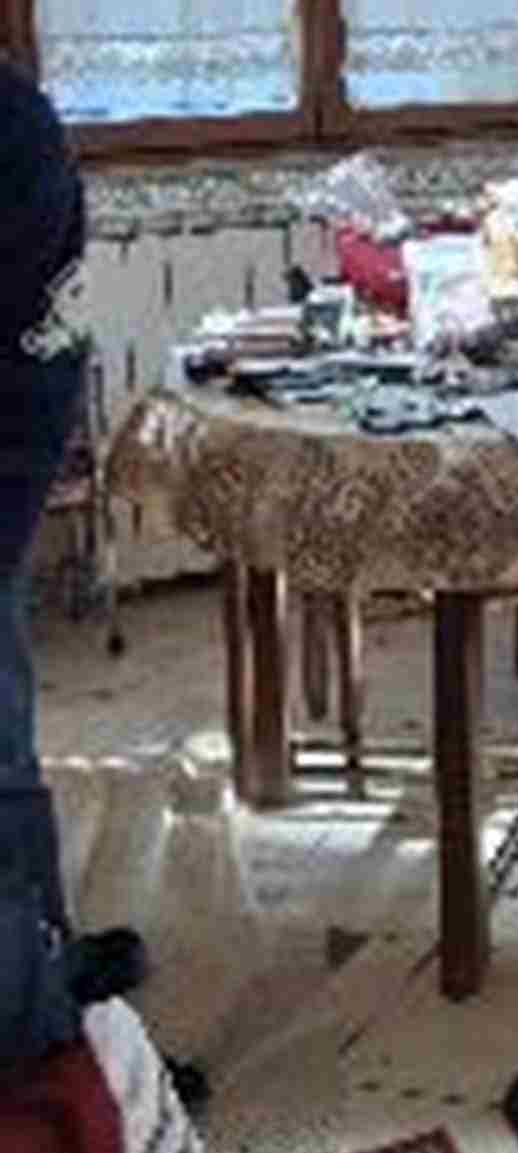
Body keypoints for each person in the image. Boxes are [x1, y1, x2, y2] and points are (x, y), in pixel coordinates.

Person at [0, 57, 156, 1082]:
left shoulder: (13, 131)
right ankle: (41, 1042)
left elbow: (40, 356)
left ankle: (43, 975)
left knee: (7, 765)